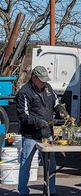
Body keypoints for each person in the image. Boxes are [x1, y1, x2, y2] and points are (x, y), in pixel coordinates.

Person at [16, 66, 68, 196]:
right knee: (25, 164)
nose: (43, 82)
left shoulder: (48, 88)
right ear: (33, 77)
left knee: (50, 165)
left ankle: (51, 191)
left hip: (47, 135)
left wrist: (61, 111)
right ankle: (23, 191)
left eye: (45, 80)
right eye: (41, 80)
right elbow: (23, 115)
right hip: (30, 135)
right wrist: (39, 122)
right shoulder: (24, 92)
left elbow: (56, 102)